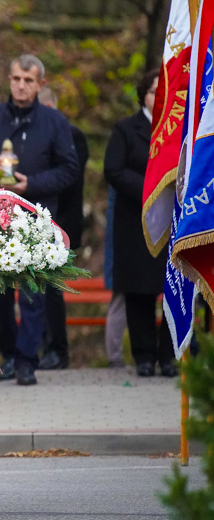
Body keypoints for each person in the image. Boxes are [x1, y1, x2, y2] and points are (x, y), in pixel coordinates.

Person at [0, 54, 78, 386]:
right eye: (17, 78)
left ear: (40, 84)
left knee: (33, 293)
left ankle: (27, 360)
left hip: (36, 218)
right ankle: (8, 354)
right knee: (0, 293)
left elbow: (69, 170)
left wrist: (30, 184)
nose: (21, 85)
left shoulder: (54, 123)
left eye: (28, 80)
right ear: (9, 79)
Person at [103, 70, 176, 377]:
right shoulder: (125, 129)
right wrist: (152, 187)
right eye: (153, 92)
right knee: (138, 291)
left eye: (165, 92)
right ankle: (144, 356)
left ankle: (169, 357)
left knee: (172, 290)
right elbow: (114, 170)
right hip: (136, 223)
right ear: (143, 95)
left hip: (174, 221)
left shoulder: (180, 129)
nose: (159, 98)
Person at [38, 87, 89, 370]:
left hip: (62, 221)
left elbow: (69, 181)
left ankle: (58, 349)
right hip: (37, 222)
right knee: (36, 290)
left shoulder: (72, 135)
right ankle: (40, 347)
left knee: (52, 288)